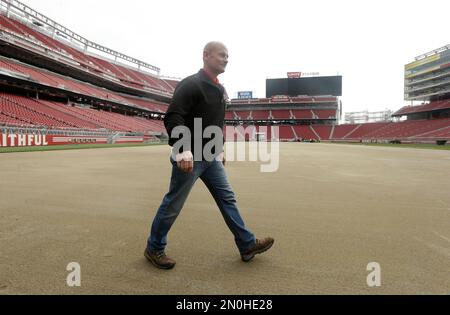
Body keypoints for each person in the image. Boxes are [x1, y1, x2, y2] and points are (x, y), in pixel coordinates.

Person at [144, 42, 274, 270]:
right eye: (222, 55)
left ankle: (246, 245)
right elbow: (173, 117)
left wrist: (220, 148)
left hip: (211, 157)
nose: (226, 59)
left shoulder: (220, 90)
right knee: (173, 204)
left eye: (228, 56)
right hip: (190, 156)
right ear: (206, 56)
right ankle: (154, 248)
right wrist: (182, 149)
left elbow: (216, 123)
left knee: (228, 199)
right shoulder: (191, 84)